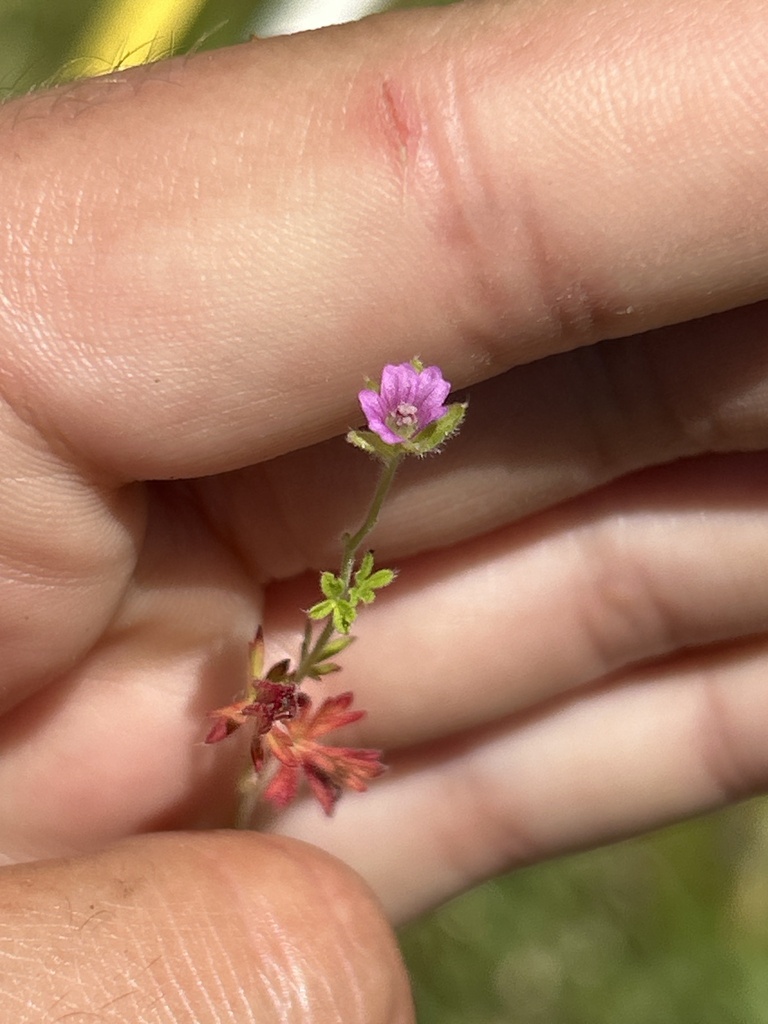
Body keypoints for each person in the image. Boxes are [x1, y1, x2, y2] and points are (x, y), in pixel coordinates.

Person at [1, 0, 767, 1017]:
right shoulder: (376, 456)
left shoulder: (398, 444)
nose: (406, 419)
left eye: (415, 418)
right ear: (388, 418)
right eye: (399, 418)